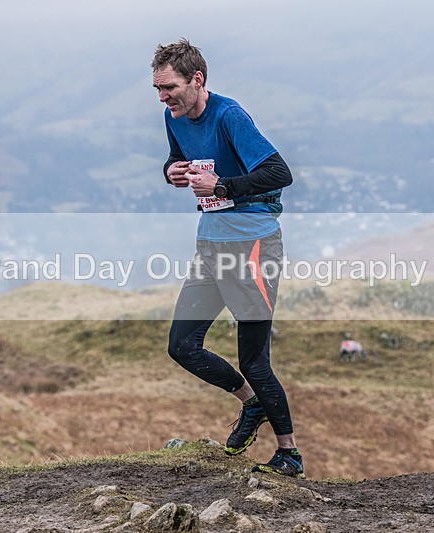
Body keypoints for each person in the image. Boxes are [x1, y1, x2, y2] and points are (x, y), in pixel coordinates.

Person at [152, 39, 303, 478]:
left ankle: (289, 453)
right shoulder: (173, 117)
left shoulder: (229, 115)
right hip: (211, 245)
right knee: (182, 345)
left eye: (169, 87)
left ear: (197, 80)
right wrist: (172, 172)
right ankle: (251, 403)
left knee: (254, 360)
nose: (163, 97)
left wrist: (221, 188)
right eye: (158, 89)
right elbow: (178, 157)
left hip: (253, 246)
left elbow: (280, 173)